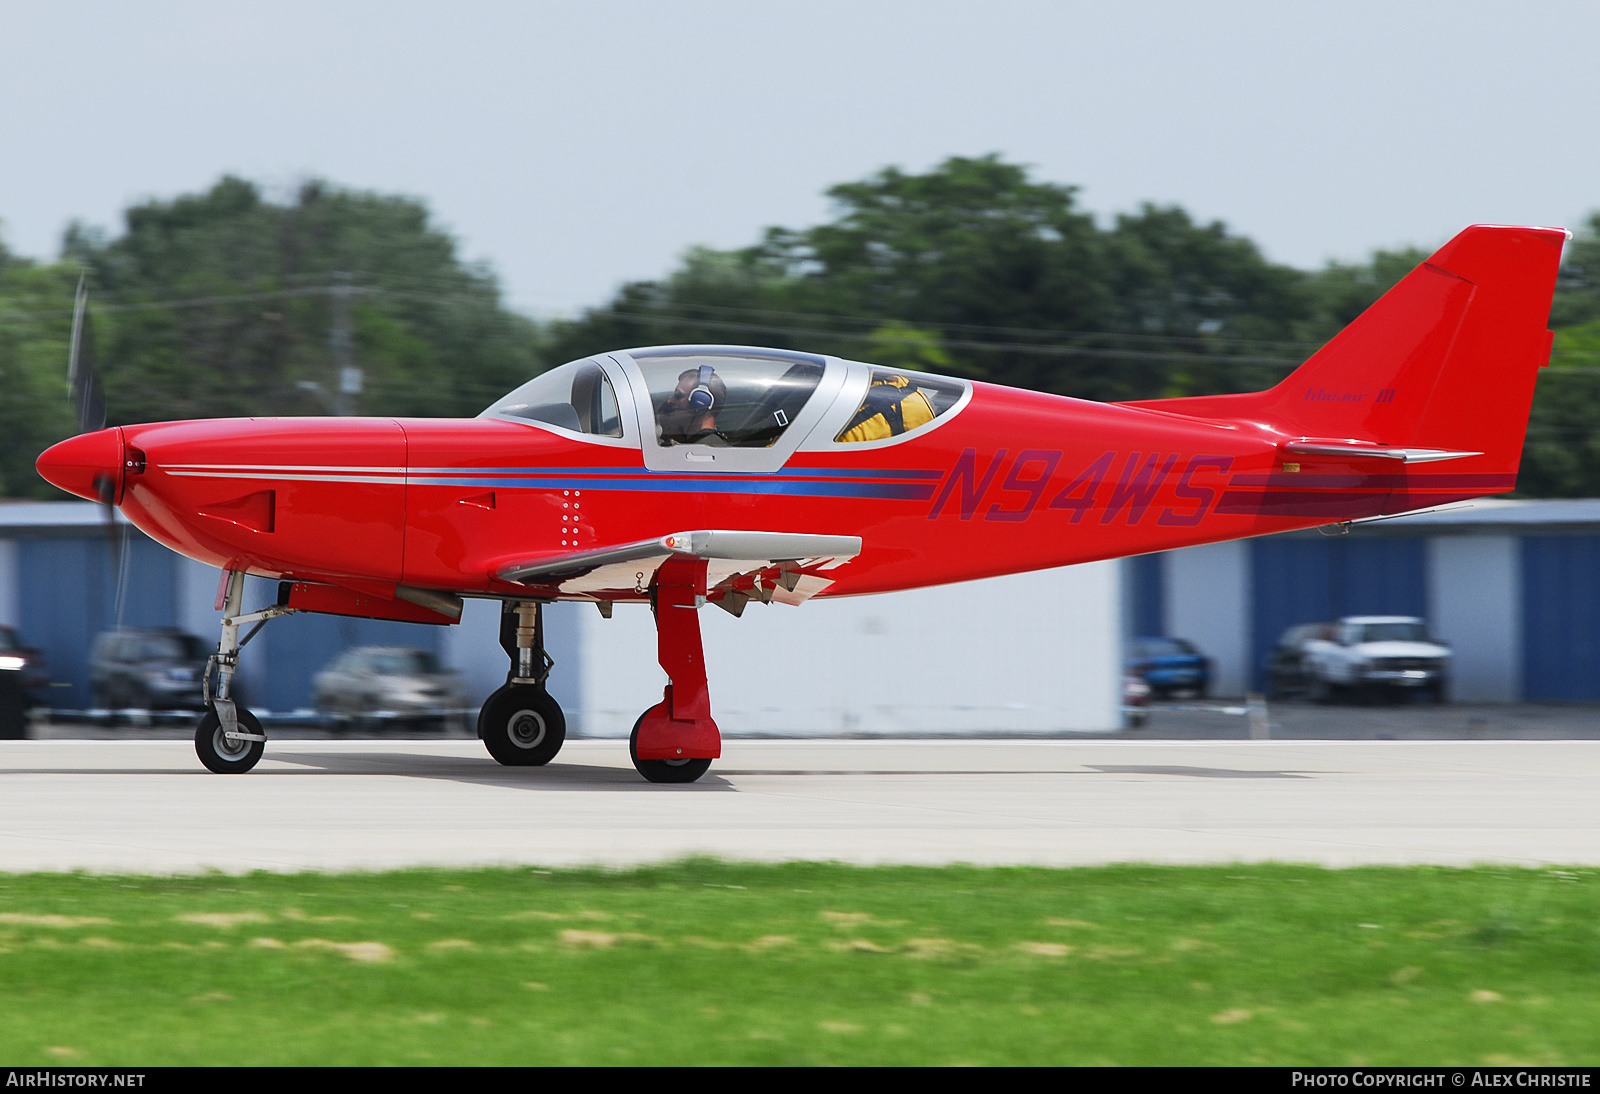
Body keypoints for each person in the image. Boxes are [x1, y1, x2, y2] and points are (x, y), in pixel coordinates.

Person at [658, 367, 729, 445]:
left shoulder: (701, 452)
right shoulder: (711, 445)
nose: (670, 401)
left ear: (699, 404)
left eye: (678, 395)